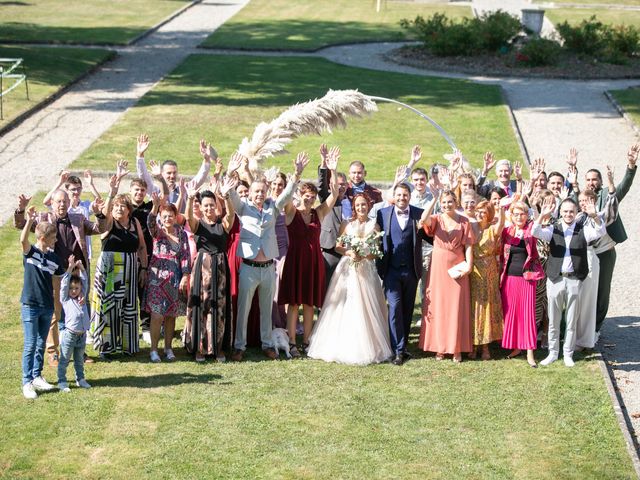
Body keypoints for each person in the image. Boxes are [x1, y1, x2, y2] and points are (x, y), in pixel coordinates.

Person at [228, 152, 306, 361]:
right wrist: (230, 172)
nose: (260, 194)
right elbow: (231, 195)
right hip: (248, 268)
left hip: (268, 268)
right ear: (250, 193)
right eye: (256, 191)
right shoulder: (243, 207)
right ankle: (239, 346)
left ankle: (268, 344)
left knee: (266, 310)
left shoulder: (273, 207)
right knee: (243, 310)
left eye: (263, 191)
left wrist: (296, 175)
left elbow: (287, 195)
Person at [14, 188, 102, 367]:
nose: (62, 204)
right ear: (51, 203)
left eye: (64, 201)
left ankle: (78, 350)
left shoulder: (78, 219)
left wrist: (100, 213)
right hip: (53, 274)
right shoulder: (43, 219)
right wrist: (21, 209)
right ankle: (53, 352)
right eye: (58, 201)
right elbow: (20, 224)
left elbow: (99, 228)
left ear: (69, 203)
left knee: (77, 311)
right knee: (55, 313)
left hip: (74, 273)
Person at [307, 194, 392, 365]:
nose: (361, 208)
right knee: (344, 303)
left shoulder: (374, 226)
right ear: (354, 207)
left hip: (366, 269)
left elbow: (377, 251)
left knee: (366, 305)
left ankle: (370, 344)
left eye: (364, 205)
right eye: (358, 205)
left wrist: (366, 255)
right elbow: (338, 246)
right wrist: (349, 252)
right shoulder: (347, 224)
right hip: (348, 268)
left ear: (369, 205)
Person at [533, 197, 605, 367]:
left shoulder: (583, 229)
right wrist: (542, 215)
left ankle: (567, 353)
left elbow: (600, 231)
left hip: (574, 279)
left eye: (571, 211)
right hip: (555, 278)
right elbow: (535, 232)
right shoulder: (553, 228)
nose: (568, 214)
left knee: (571, 320)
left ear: (576, 212)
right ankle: (553, 352)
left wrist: (594, 216)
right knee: (553, 319)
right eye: (565, 211)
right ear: (561, 212)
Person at [280, 150, 339, 357]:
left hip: (313, 262)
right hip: (295, 261)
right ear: (300, 196)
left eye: (312, 197)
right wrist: (296, 175)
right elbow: (285, 197)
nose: (310, 200)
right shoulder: (291, 212)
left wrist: (332, 169)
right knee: (293, 302)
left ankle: (307, 341)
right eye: (307, 197)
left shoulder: (318, 213)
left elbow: (334, 195)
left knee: (309, 303)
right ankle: (292, 342)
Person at [91, 170, 148, 358]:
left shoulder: (134, 223)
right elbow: (103, 213)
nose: (119, 209)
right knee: (108, 307)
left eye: (122, 206)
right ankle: (105, 347)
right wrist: (111, 192)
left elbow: (141, 247)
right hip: (110, 270)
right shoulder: (108, 223)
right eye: (116, 206)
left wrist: (143, 268)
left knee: (128, 308)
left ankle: (127, 346)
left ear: (129, 209)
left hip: (130, 270)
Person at [183, 178, 236, 362]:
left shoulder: (223, 224)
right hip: (202, 268)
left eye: (212, 205)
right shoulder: (198, 224)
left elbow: (231, 214)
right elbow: (188, 217)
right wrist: (190, 199)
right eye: (205, 206)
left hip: (220, 268)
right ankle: (199, 347)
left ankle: (218, 348)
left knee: (219, 307)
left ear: (216, 206)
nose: (208, 209)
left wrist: (227, 196)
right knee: (201, 306)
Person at [418, 190, 474, 363]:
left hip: (457, 265)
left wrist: (469, 265)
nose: (447, 205)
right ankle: (440, 347)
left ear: (456, 202)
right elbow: (422, 219)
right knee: (439, 305)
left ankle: (456, 347)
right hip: (439, 267)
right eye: (444, 202)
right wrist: (434, 198)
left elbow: (469, 245)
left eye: (450, 202)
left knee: (456, 306)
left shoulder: (464, 221)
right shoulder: (436, 219)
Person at [587, 144, 638, 335]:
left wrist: (631, 166)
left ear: (600, 181)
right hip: (587, 252)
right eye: (589, 180)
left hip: (606, 252)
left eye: (595, 179)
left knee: (602, 292)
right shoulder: (582, 198)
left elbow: (624, 186)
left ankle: (596, 328)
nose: (592, 182)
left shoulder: (608, 195)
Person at [377, 183, 430, 365]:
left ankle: (404, 345)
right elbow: (376, 239)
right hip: (391, 270)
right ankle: (397, 350)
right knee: (394, 307)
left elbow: (431, 236)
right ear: (394, 196)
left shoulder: (418, 213)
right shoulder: (383, 214)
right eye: (398, 195)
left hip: (411, 270)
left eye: (405, 194)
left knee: (407, 309)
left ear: (410, 196)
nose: (402, 198)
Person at [19, 207, 64, 399]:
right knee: (30, 344)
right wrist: (29, 220)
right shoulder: (31, 253)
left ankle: (37, 375)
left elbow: (57, 283)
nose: (56, 241)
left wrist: (56, 307)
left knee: (40, 344)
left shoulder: (54, 259)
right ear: (43, 238)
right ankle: (26, 382)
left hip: (46, 306)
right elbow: (23, 240)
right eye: (53, 238)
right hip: (30, 305)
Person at [143, 195, 192, 363]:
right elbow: (149, 221)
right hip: (157, 279)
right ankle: (154, 350)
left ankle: (168, 348)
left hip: (175, 278)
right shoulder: (157, 231)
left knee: (171, 315)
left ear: (175, 216)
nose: (168, 218)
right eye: (164, 215)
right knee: (157, 315)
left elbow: (185, 255)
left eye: (170, 215)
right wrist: (155, 206)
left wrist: (185, 275)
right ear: (160, 217)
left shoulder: (181, 233)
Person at [575, 174, 618, 349]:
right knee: (579, 297)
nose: (584, 203)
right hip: (579, 259)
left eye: (587, 200)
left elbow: (611, 213)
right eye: (581, 201)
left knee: (596, 296)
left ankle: (591, 332)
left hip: (595, 257)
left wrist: (611, 188)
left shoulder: (599, 215)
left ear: (594, 200)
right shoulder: (578, 217)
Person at [500, 201, 544, 368]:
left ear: (527, 215)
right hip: (508, 279)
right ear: (511, 216)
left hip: (526, 279)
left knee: (527, 315)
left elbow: (538, 224)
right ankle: (516, 347)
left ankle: (530, 352)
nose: (519, 217)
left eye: (522, 214)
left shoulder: (531, 231)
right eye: (516, 214)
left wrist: (534, 205)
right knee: (511, 314)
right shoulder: (507, 231)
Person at [135, 134, 211, 213]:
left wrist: (206, 160)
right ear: (162, 173)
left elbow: (200, 178)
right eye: (169, 173)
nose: (172, 176)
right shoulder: (155, 190)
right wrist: (140, 155)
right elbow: (143, 177)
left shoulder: (183, 189)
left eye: (174, 173)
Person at [469, 199, 505, 360]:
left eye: (483, 212)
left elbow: (502, 224)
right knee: (474, 306)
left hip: (489, 271)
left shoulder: (492, 229)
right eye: (477, 211)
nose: (479, 214)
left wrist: (501, 210)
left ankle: (485, 346)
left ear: (489, 214)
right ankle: (473, 344)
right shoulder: (470, 227)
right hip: (473, 271)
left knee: (487, 306)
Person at [57, 255, 91, 393]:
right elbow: (64, 284)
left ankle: (80, 379)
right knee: (64, 360)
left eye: (76, 288)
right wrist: (70, 267)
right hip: (69, 335)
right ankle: (62, 381)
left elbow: (85, 281)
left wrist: (82, 268)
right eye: (71, 288)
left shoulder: (81, 297)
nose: (73, 291)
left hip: (82, 335)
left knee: (79, 360)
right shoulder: (66, 299)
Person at [318, 144, 348, 287]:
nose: (340, 187)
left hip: (349, 250)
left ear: (347, 186)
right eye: (337, 184)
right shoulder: (327, 199)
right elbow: (321, 185)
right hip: (329, 248)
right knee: (326, 284)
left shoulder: (355, 202)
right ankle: (322, 309)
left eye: (343, 184)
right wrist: (324, 164)